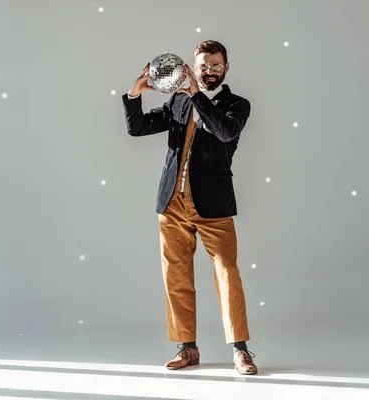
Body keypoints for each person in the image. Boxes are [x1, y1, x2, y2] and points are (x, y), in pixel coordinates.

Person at [121, 40, 257, 375]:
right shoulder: (178, 102)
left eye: (215, 66)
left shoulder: (236, 104)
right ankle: (187, 348)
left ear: (225, 69)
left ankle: (240, 350)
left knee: (227, 273)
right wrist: (135, 92)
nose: (208, 71)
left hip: (213, 205)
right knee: (177, 277)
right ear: (191, 68)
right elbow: (137, 128)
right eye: (202, 66)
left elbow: (224, 132)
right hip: (172, 203)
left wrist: (196, 94)